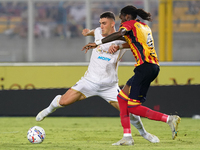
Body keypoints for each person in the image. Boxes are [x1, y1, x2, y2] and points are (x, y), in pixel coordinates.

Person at [36, 11, 160, 144]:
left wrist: (118, 46)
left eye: (104, 23)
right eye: (100, 23)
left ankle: (144, 133)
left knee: (130, 110)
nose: (101, 26)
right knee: (63, 102)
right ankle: (48, 109)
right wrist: (87, 32)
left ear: (112, 24)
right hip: (89, 82)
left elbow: (135, 43)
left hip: (109, 86)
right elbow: (92, 31)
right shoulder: (97, 32)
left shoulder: (122, 36)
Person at [82, 6, 181, 146]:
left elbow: (119, 34)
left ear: (127, 16)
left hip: (144, 67)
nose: (120, 20)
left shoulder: (128, 24)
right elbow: (134, 42)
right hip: (151, 66)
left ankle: (169, 119)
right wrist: (119, 47)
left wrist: (97, 42)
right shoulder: (143, 26)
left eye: (121, 17)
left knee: (133, 107)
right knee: (122, 99)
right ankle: (127, 137)